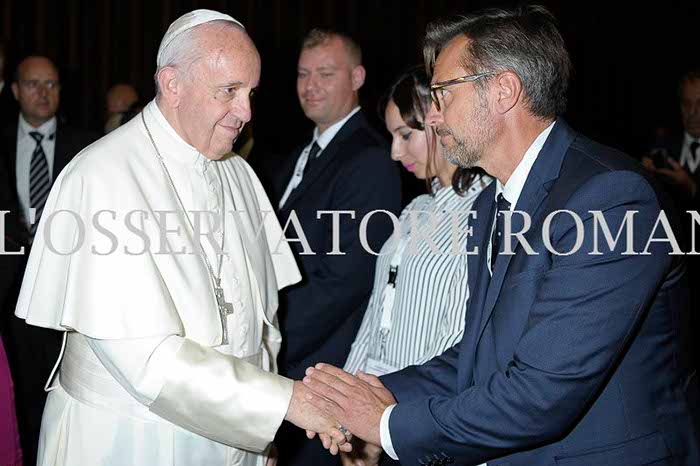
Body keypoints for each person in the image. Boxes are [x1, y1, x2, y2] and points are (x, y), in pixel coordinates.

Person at [303, 6, 699, 466]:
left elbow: (540, 394)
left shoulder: (610, 199)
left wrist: (386, 424)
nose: (433, 117)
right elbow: (476, 358)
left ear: (504, 91)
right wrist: (374, 392)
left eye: (443, 94)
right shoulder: (495, 201)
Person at [14, 10, 349, 466]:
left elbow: (262, 321)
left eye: (250, 92)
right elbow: (145, 360)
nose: (246, 112)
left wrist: (258, 436)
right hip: (126, 441)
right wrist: (282, 402)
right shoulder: (102, 177)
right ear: (171, 84)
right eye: (228, 91)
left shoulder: (241, 177)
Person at [341, 67, 490, 466]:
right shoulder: (416, 209)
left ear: (441, 121)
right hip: (376, 411)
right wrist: (346, 411)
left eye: (405, 135)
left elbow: (458, 344)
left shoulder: (487, 210)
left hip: (421, 421)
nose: (394, 152)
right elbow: (374, 318)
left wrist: (387, 421)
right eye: (392, 136)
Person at [273, 28, 401, 466]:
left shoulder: (370, 158)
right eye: (303, 74)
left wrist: (268, 342)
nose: (310, 86)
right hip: (292, 369)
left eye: (325, 73)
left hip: (321, 371)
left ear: (358, 77)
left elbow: (345, 281)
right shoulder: (297, 157)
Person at [0, 55, 97, 465]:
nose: (44, 93)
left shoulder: (88, 147)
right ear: (16, 90)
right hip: (6, 299)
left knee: (60, 397)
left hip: (66, 300)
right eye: (34, 84)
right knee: (13, 398)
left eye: (52, 84)